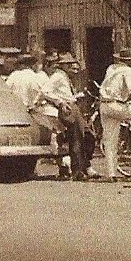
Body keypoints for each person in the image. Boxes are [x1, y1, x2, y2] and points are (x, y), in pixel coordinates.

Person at [44, 53, 98, 181]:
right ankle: (77, 170)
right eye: (69, 65)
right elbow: (45, 91)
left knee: (87, 135)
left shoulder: (65, 78)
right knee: (76, 139)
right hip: (68, 108)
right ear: (63, 66)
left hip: (72, 105)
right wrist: (60, 102)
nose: (72, 68)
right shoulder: (57, 76)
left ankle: (84, 164)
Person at [98, 48, 131, 182]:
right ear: (130, 61)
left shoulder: (111, 68)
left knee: (110, 141)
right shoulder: (128, 71)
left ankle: (111, 174)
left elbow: (115, 86)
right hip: (117, 106)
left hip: (104, 105)